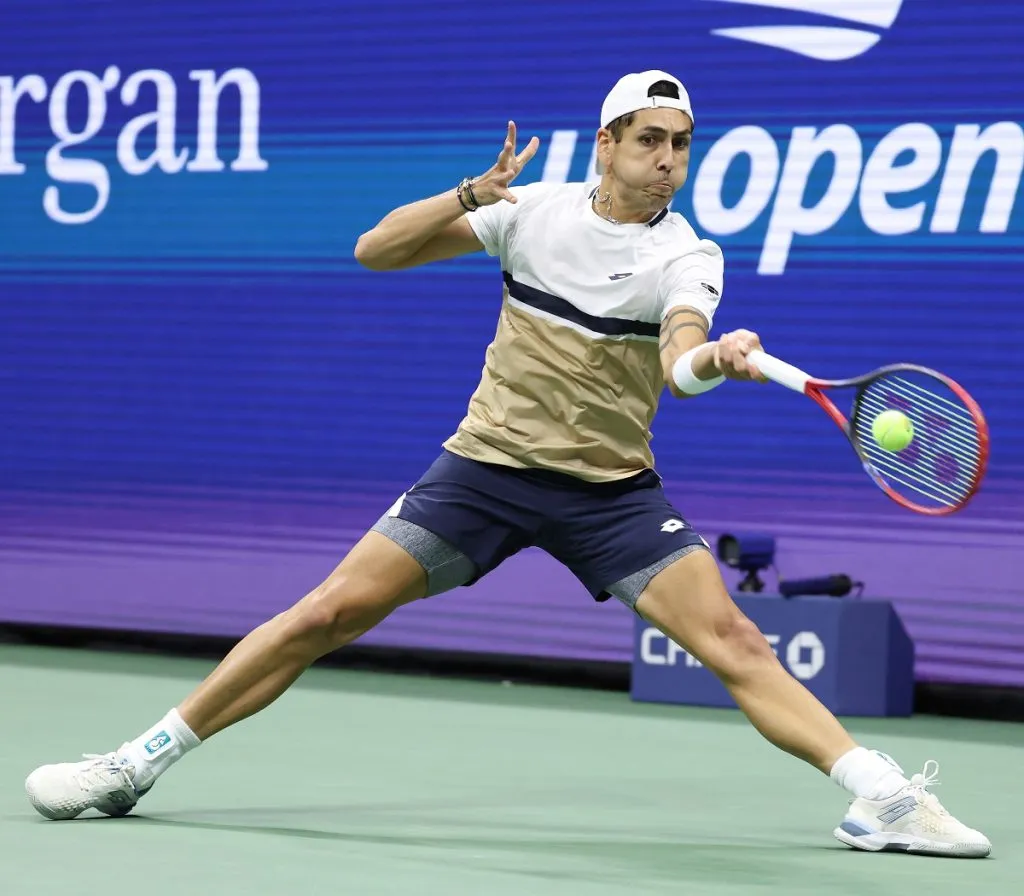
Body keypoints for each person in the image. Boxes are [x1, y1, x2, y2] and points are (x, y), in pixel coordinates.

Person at [25, 70, 990, 858]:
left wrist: (715, 357)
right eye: (649, 140)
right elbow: (374, 251)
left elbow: (680, 366)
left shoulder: (686, 255)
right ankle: (134, 764)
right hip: (483, 471)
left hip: (609, 494)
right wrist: (470, 196)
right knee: (325, 613)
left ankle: (883, 800)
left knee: (735, 641)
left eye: (681, 144)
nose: (667, 162)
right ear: (605, 144)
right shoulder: (531, 211)